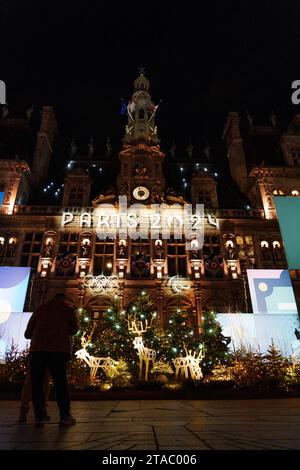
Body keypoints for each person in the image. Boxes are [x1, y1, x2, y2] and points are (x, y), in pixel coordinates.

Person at [24, 292, 78, 427]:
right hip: (58, 351)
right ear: (64, 300)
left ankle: (39, 417)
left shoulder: (40, 310)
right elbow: (74, 330)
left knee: (37, 384)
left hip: (38, 351)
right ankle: (65, 417)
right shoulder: (67, 310)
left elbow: (28, 333)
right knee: (60, 384)